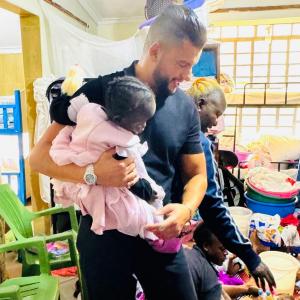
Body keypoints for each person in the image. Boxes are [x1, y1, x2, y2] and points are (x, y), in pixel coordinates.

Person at [30, 4, 207, 300]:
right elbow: (38, 157)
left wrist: (186, 210)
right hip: (103, 235)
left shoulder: (184, 106)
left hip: (158, 231)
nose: (188, 76)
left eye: (191, 65)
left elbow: (198, 174)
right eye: (182, 64)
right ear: (155, 50)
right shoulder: (100, 91)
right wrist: (92, 174)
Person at [49, 76, 181, 253]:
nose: (143, 126)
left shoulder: (90, 111)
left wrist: (66, 143)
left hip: (84, 172)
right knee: (135, 212)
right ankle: (153, 234)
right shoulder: (117, 138)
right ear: (119, 118)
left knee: (146, 199)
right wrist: (146, 190)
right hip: (103, 190)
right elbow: (130, 175)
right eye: (139, 122)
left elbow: (68, 126)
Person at [186, 77, 276, 291]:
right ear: (200, 104)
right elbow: (213, 207)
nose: (216, 122)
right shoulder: (198, 142)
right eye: (216, 113)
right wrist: (252, 259)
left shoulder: (167, 122)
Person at [184, 222, 260, 300]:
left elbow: (219, 289)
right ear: (206, 246)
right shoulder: (205, 271)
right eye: (222, 249)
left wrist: (246, 289)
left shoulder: (189, 253)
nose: (226, 253)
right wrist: (246, 289)